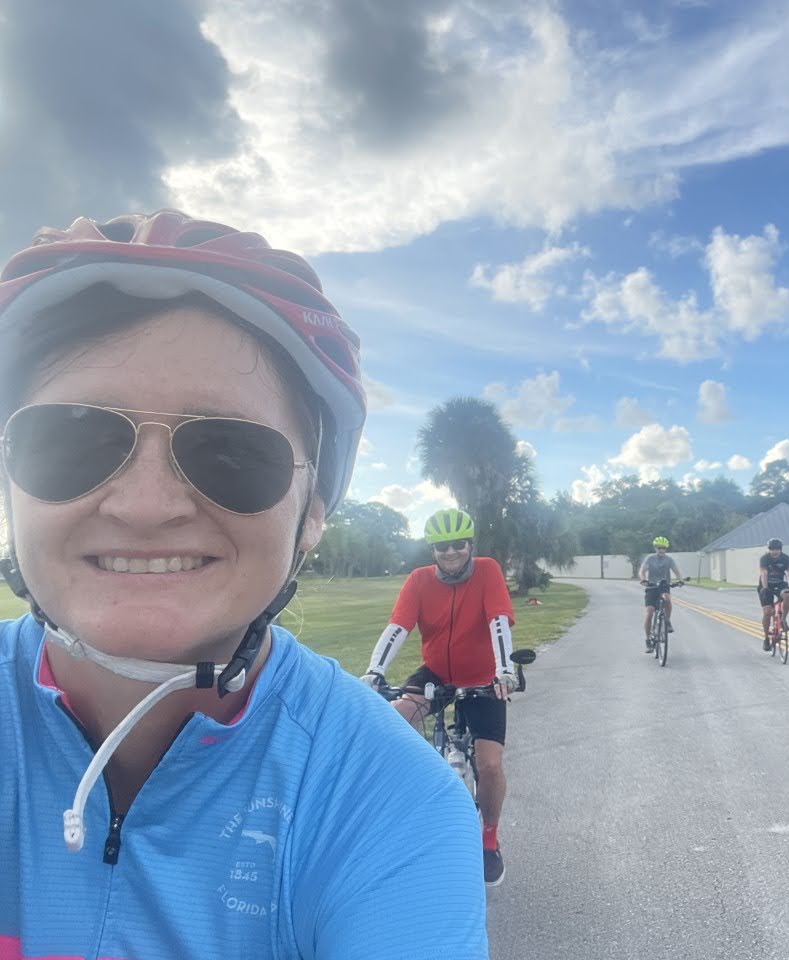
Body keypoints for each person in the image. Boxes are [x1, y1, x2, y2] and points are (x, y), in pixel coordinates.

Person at [0, 211, 486, 957]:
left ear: (312, 512)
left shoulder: (392, 802)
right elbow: (395, 629)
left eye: (229, 452)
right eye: (72, 440)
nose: (145, 505)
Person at [361, 507, 517, 887]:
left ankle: (489, 837)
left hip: (483, 678)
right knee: (393, 720)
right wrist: (375, 671)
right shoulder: (419, 580)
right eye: (441, 547)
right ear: (432, 550)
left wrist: (504, 671)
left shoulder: (487, 570)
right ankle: (404, 804)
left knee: (490, 765)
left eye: (457, 545)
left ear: (470, 544)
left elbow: (498, 620)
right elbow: (398, 626)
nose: (450, 553)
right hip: (436, 673)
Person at [639, 536, 684, 649]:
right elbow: (642, 571)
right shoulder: (650, 559)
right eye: (659, 548)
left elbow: (676, 570)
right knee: (650, 612)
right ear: (655, 548)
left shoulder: (669, 560)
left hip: (664, 585)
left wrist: (680, 580)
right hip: (651, 586)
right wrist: (643, 579)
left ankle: (667, 622)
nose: (661, 550)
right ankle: (648, 639)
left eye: (663, 548)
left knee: (667, 599)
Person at [758, 537, 789, 651]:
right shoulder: (764, 559)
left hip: (780, 583)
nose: (774, 552)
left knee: (787, 594)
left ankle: (783, 619)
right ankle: (766, 638)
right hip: (766, 585)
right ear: (769, 549)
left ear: (780, 549)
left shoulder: (786, 559)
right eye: (772, 549)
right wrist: (765, 589)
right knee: (768, 612)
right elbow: (764, 573)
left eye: (777, 549)